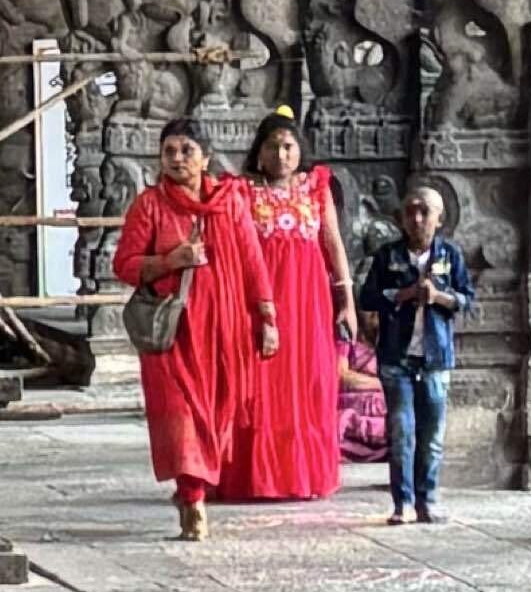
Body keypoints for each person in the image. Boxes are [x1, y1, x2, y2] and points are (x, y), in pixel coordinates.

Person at [111, 124, 259, 541]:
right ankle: (193, 498)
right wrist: (170, 261)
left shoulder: (230, 203)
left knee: (216, 414)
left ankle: (194, 489)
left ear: (205, 158)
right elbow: (124, 265)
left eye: (186, 150)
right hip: (172, 333)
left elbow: (252, 261)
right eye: (169, 151)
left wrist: (266, 317)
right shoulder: (149, 205)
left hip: (223, 331)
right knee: (180, 417)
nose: (177, 158)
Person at [213, 112, 352, 506]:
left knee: (308, 383)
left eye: (288, 146)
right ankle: (255, 479)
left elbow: (333, 242)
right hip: (259, 302)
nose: (281, 154)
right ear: (259, 152)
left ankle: (303, 476)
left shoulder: (316, 187)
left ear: (299, 150)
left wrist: (347, 300)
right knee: (259, 388)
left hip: (309, 304)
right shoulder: (241, 191)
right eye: (273, 146)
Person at [354, 180, 476, 525]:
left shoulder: (450, 256)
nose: (417, 218)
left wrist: (439, 297)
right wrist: (403, 295)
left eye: (425, 212)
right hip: (396, 356)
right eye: (410, 212)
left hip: (435, 357)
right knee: (401, 432)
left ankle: (428, 498)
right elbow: (368, 298)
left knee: (432, 435)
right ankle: (402, 502)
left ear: (440, 218)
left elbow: (466, 299)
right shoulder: (387, 256)